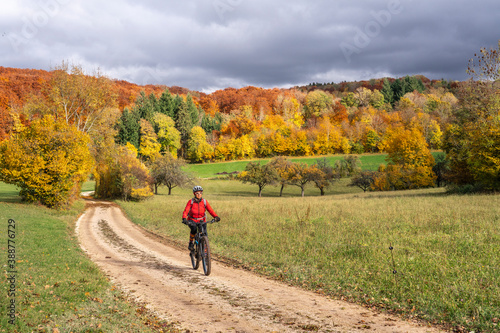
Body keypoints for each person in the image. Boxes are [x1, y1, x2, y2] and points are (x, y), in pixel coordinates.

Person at [182, 185, 220, 251]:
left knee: (204, 234)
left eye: (200, 193)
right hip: (192, 220)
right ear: (194, 194)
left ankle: (205, 252)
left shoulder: (204, 202)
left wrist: (216, 216)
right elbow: (186, 211)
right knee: (193, 229)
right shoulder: (191, 202)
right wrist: (184, 218)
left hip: (202, 220)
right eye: (197, 193)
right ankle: (191, 243)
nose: (199, 194)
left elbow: (210, 210)